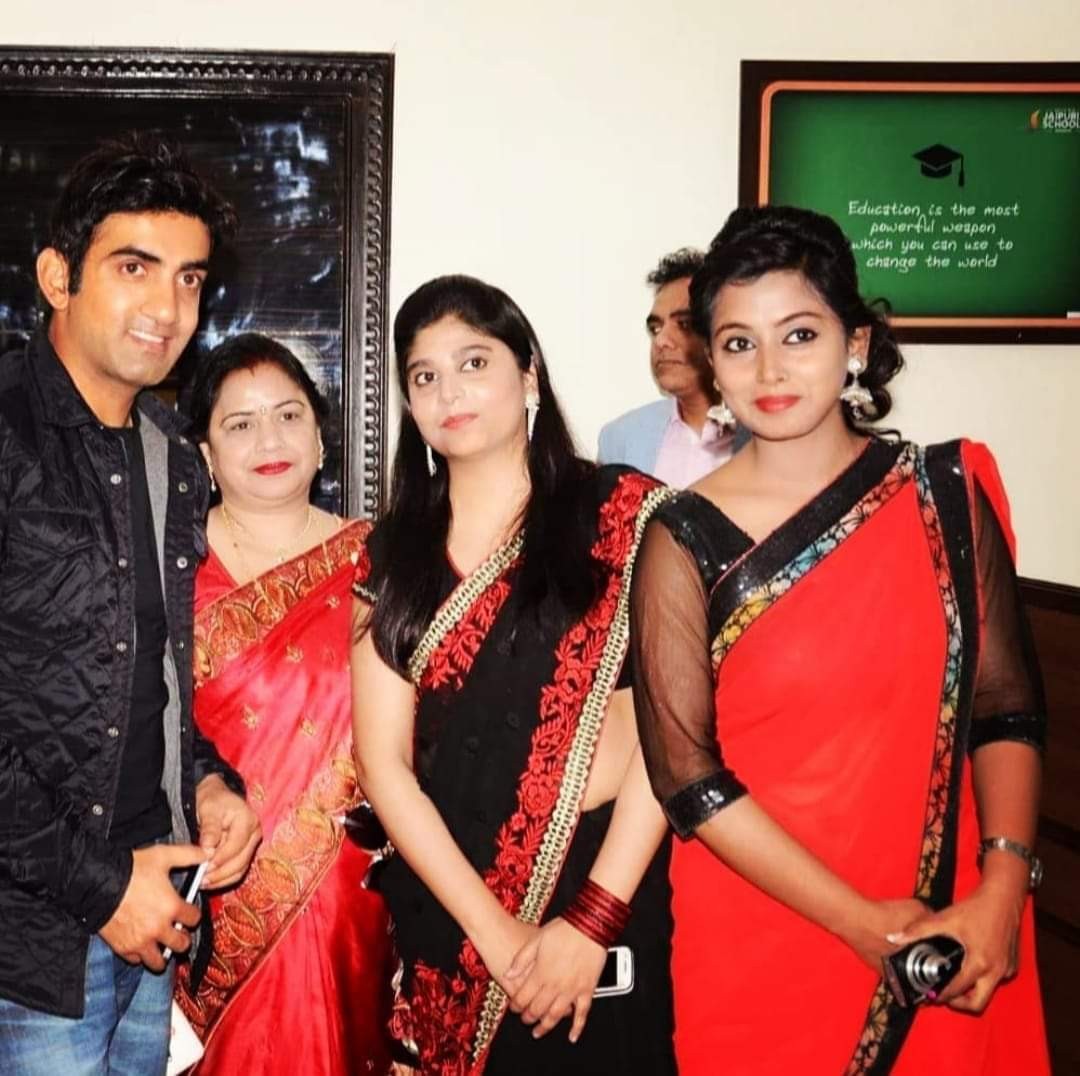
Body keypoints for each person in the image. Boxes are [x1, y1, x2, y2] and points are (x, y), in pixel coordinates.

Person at [631, 205, 1050, 1075]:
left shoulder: (945, 495)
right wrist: (862, 924)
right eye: (739, 343)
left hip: (950, 922)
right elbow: (686, 777)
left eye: (799, 334)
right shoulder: (681, 536)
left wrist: (1004, 888)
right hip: (758, 938)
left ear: (854, 342)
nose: (770, 369)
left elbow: (1005, 708)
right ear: (712, 361)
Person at [351, 275, 678, 1075]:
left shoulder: (624, 516)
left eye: (474, 362)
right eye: (425, 376)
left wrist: (594, 917)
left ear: (529, 375)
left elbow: (671, 734)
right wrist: (495, 937)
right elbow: (383, 765)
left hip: (603, 888)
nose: (449, 391)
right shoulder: (392, 554)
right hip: (452, 907)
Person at [0, 133, 261, 1075]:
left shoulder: (167, 453)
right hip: (28, 944)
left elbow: (145, 674)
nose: (167, 308)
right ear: (57, 277)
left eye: (189, 279)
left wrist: (207, 783)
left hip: (154, 910)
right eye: (134, 268)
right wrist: (102, 886)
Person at [174, 333, 393, 1074]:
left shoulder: (383, 562)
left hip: (348, 898)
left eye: (289, 415)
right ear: (205, 455)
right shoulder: (167, 571)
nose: (270, 440)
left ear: (322, 439)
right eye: (241, 424)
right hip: (201, 893)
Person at [597, 247, 745, 486]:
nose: (661, 341)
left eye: (684, 324)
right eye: (655, 328)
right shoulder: (621, 440)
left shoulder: (763, 431)